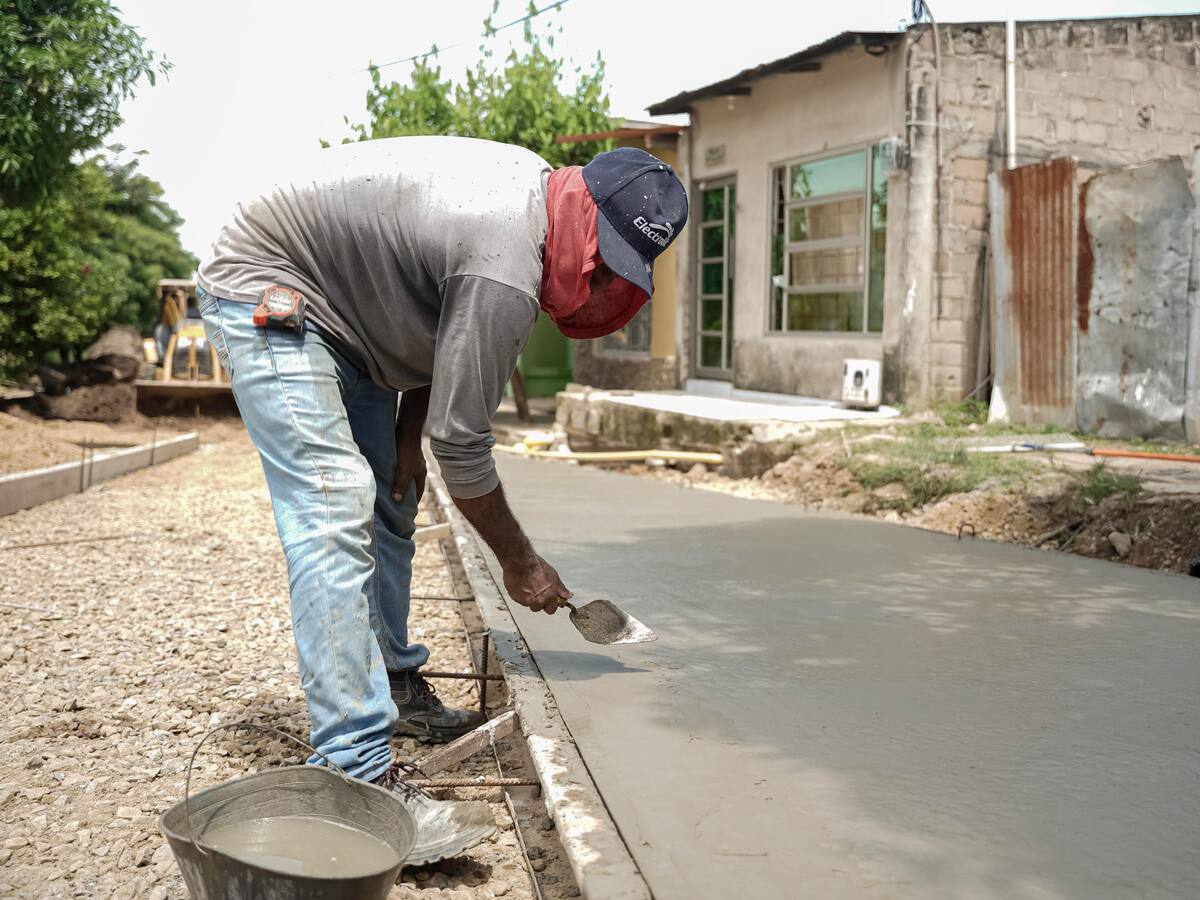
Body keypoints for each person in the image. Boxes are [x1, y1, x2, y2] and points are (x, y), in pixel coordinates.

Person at [196, 135, 687, 862]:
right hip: (272, 282)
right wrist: (520, 562)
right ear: (583, 217)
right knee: (334, 508)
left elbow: (443, 322)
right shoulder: (506, 258)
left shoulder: (533, 210)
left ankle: (394, 684)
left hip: (354, 326)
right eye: (602, 263)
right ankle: (356, 775)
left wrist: (407, 435)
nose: (599, 283)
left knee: (393, 495)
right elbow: (463, 444)